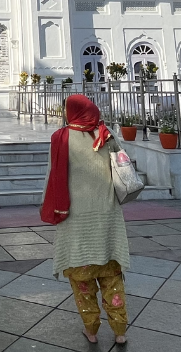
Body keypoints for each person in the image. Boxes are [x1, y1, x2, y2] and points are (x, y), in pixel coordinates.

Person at [41, 94, 130, 345]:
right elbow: (123, 163)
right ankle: (120, 330)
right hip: (107, 217)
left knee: (82, 282)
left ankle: (91, 330)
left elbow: (52, 176)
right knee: (112, 278)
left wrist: (50, 206)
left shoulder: (61, 138)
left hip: (75, 220)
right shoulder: (106, 133)